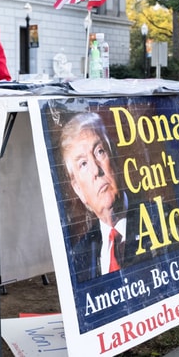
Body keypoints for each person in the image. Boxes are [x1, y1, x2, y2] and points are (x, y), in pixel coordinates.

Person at [58, 112, 136, 282]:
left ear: (115, 157)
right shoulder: (81, 255)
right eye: (83, 164)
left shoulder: (160, 220)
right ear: (78, 190)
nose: (96, 170)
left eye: (100, 152)